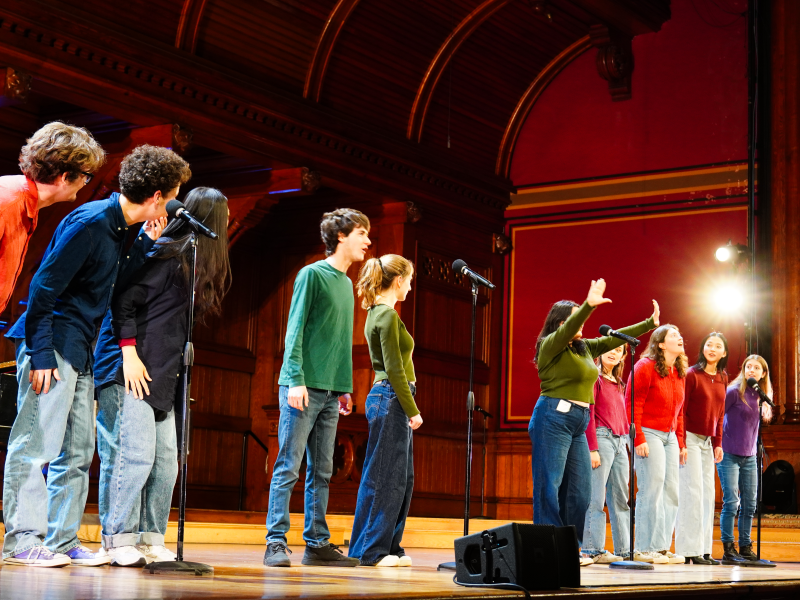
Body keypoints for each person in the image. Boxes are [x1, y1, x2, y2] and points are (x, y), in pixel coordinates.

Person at [2, 145, 190, 567]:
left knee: (78, 451)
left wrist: (145, 244)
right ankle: (21, 540)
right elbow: (42, 290)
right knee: (36, 445)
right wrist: (42, 354)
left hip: (81, 348)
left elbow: (110, 282)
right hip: (52, 344)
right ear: (158, 195)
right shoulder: (90, 223)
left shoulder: (123, 230)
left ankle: (62, 539)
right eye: (174, 193)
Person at [92, 187, 231, 566]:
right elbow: (124, 302)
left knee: (166, 459)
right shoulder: (167, 253)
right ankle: (117, 537)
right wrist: (129, 353)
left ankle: (150, 537)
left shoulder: (193, 260)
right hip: (132, 367)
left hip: (164, 372)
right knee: (133, 456)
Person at [264, 208, 371, 568]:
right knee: (288, 467)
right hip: (303, 388)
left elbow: (340, 342)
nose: (367, 241)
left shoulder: (345, 283)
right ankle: (275, 542)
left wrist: (344, 387)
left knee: (322, 471)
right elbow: (294, 330)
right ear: (340, 237)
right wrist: (294, 379)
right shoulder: (312, 275)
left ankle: (317, 544)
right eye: (361, 234)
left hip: (330, 391)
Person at [530, 279, 657, 567]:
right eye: (577, 318)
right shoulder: (551, 345)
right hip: (553, 417)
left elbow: (614, 339)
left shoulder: (583, 347)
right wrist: (587, 304)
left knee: (580, 491)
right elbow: (567, 329)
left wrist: (648, 323)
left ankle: (568, 547)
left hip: (578, 421)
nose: (583, 324)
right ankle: (547, 547)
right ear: (561, 323)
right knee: (549, 485)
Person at [349, 254, 421, 567]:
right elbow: (394, 369)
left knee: (401, 477)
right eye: (409, 280)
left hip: (391, 398)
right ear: (397, 280)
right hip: (391, 397)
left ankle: (389, 546)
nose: (410, 286)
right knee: (385, 476)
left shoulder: (383, 313)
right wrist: (413, 409)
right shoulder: (386, 315)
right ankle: (372, 551)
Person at [0, 122, 105, 314]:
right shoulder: (7, 202)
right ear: (65, 177)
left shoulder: (24, 201)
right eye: (86, 176)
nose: (84, 183)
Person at [628, 324, 687, 565]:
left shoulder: (678, 371)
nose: (679, 337)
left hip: (670, 435)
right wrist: (639, 437)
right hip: (649, 432)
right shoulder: (645, 367)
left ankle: (661, 547)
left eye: (679, 333)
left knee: (671, 491)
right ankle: (644, 547)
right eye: (674, 335)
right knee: (652, 489)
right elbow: (633, 403)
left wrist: (681, 442)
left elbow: (679, 411)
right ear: (661, 344)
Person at [676, 332, 729, 565]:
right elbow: (682, 410)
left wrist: (718, 443)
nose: (713, 349)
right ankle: (689, 549)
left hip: (708, 442)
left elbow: (719, 414)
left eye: (718, 346)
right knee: (692, 494)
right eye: (709, 344)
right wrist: (682, 443)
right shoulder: (692, 375)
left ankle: (705, 549)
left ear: (724, 353)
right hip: (690, 438)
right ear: (703, 348)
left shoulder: (722, 377)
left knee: (708, 496)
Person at [717, 355, 773, 564]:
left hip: (749, 456)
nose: (751, 370)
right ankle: (728, 549)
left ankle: (746, 547)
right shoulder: (733, 392)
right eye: (748, 366)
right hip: (729, 454)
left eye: (756, 367)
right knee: (731, 502)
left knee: (749, 504)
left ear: (763, 373)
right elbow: (718, 415)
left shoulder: (760, 396)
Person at [582, 345, 630, 564]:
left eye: (619, 350)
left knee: (621, 499)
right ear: (600, 352)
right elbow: (589, 414)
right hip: (602, 438)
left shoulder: (620, 384)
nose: (614, 353)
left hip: (621, 441)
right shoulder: (595, 378)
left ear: (623, 356)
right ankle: (593, 548)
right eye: (610, 348)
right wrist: (592, 448)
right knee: (596, 497)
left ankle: (624, 550)